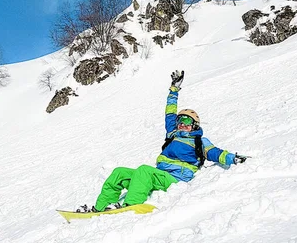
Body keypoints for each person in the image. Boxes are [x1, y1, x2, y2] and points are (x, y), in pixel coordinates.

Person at [77, 70, 247, 213]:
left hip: (175, 179)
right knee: (119, 173)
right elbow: (170, 113)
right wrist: (174, 90)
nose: (182, 123)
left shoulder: (199, 141)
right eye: (181, 120)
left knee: (144, 170)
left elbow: (215, 153)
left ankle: (130, 205)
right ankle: (100, 208)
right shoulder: (173, 134)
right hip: (159, 175)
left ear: (194, 125)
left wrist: (233, 158)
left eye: (187, 122)